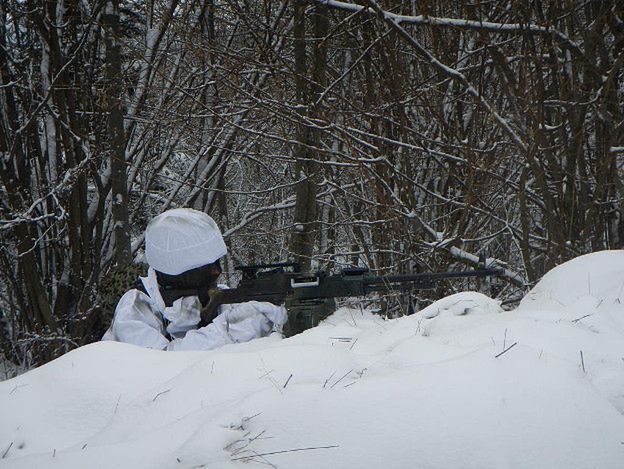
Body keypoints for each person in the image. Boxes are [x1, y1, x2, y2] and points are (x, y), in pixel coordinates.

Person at [102, 208, 287, 351]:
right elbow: (160, 365)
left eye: (217, 262)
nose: (216, 271)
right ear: (175, 267)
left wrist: (275, 320)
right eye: (205, 266)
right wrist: (232, 329)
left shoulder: (217, 297)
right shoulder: (135, 308)